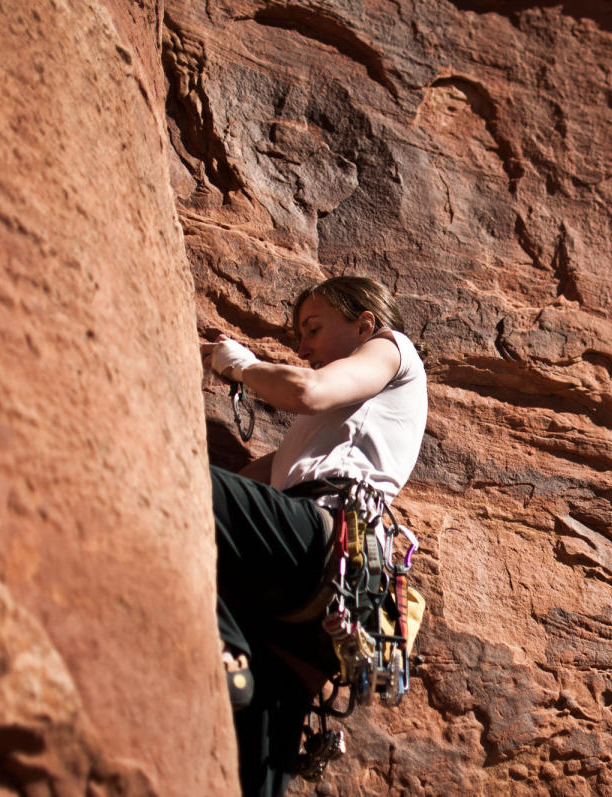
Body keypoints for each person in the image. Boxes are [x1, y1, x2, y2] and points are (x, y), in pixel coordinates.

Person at [201, 276, 427, 797]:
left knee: (181, 486)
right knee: (251, 776)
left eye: (314, 328)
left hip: (327, 544)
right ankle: (232, 658)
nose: (302, 347)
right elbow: (246, 486)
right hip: (322, 600)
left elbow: (304, 389)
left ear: (363, 324)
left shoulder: (391, 350)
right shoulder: (315, 441)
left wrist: (239, 364)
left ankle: (228, 641)